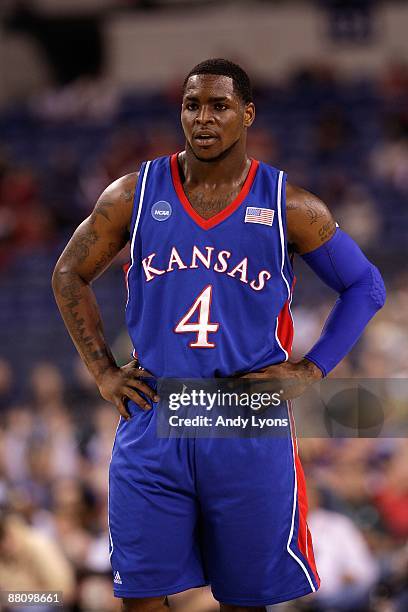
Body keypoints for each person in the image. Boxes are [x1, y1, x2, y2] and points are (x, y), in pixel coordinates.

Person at [52, 59, 386, 612]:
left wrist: (311, 368)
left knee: (244, 599)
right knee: (138, 596)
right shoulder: (134, 194)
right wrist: (103, 372)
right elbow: (68, 273)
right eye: (192, 105)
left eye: (219, 106)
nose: (203, 119)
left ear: (247, 114)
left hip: (242, 416)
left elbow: (365, 285)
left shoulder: (288, 206)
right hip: (158, 411)